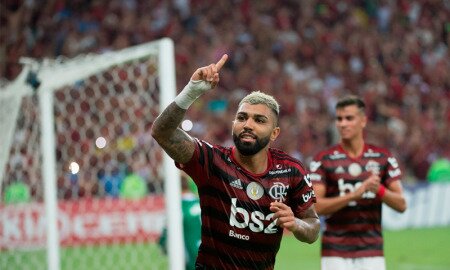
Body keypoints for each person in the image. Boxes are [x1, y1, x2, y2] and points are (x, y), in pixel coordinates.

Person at [151, 54, 320, 269]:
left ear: (275, 133)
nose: (248, 124)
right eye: (242, 117)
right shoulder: (212, 162)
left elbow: (313, 227)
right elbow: (162, 132)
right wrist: (191, 92)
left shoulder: (291, 171)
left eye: (259, 120)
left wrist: (296, 224)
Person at [309, 95, 407, 270]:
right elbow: (316, 206)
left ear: (363, 121)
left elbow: (401, 204)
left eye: (349, 118)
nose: (343, 124)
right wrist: (354, 195)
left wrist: (379, 190)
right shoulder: (324, 159)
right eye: (339, 119)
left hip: (372, 250)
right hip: (335, 251)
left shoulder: (382, 157)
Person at [158, 173, 201, 270]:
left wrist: (162, 245)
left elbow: (166, 235)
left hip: (190, 257)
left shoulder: (176, 209)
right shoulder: (202, 203)